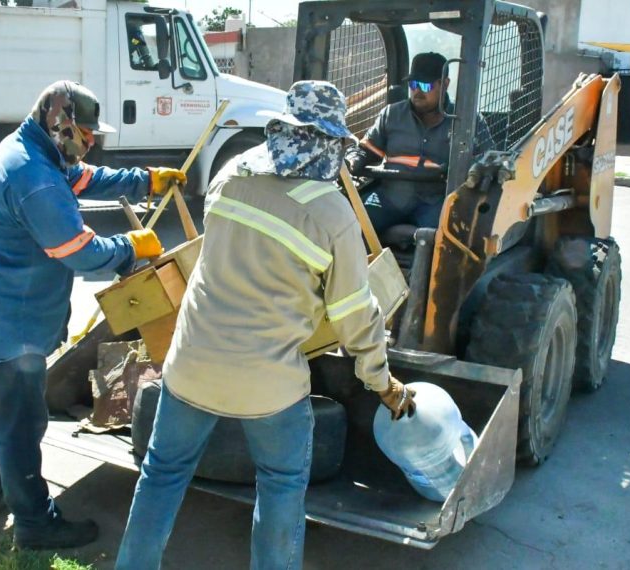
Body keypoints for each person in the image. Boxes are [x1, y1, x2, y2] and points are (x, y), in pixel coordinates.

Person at [115, 81, 418, 570]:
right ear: (332, 145)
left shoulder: (230, 175)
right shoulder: (332, 213)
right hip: (268, 385)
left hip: (191, 363)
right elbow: (353, 316)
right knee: (279, 488)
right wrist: (382, 382)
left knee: (162, 475)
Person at [0, 80, 185, 551]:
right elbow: (78, 250)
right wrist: (128, 247)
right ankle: (35, 524)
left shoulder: (32, 150)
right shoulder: (32, 177)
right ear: (61, 124)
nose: (90, 143)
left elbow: (86, 178)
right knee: (19, 428)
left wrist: (145, 179)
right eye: (86, 134)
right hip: (4, 329)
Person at [345, 52, 492, 234]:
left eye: (425, 85)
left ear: (444, 84)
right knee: (352, 225)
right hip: (391, 197)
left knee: (445, 239)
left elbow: (489, 159)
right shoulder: (391, 115)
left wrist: (474, 168)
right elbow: (366, 150)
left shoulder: (468, 121)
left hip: (436, 201)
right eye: (413, 85)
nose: (417, 91)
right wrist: (353, 159)